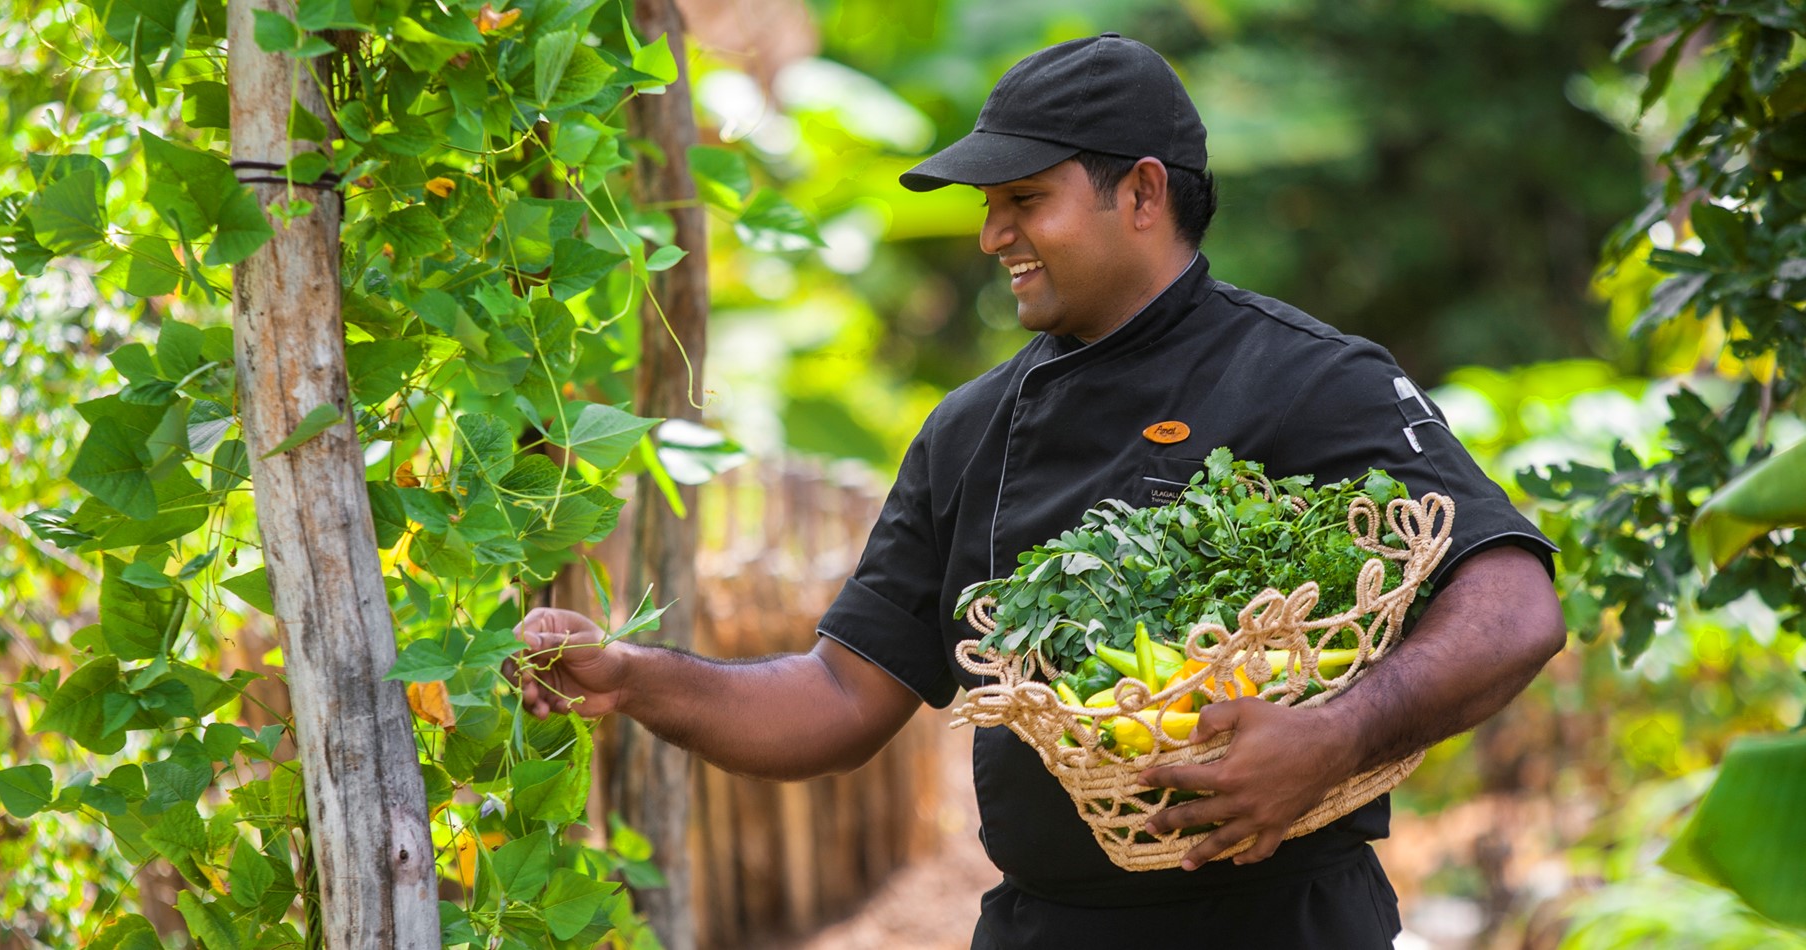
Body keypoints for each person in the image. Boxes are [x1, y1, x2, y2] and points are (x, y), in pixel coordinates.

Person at [507, 33, 1566, 949]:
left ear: (1142, 193)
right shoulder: (968, 429)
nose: (991, 236)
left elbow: (1515, 607)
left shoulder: (1310, 378)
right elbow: (836, 700)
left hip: (1283, 921)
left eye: (1024, 200)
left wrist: (1338, 735)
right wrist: (636, 678)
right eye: (988, 207)